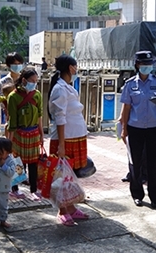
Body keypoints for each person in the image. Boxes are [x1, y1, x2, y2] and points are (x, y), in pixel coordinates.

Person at [120, 51, 156, 209]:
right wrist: (124, 129)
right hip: (135, 129)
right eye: (144, 64)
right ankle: (137, 194)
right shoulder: (130, 84)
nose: (147, 67)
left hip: (154, 129)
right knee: (136, 162)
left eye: (149, 64)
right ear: (137, 65)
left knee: (154, 163)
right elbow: (126, 107)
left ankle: (155, 196)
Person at [48, 54, 90, 226]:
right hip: (66, 139)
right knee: (61, 177)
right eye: (75, 66)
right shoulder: (59, 89)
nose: (77, 69)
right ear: (70, 68)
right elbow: (60, 117)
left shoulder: (68, 87)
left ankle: (71, 207)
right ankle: (62, 210)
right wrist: (62, 145)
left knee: (70, 176)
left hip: (76, 136)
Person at [7, 68, 44, 201]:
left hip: (33, 133)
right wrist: (9, 142)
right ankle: (15, 189)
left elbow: (40, 116)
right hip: (19, 134)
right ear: (24, 80)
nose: (34, 84)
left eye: (36, 81)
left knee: (33, 163)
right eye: (32, 81)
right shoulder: (13, 97)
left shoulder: (37, 95)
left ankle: (33, 190)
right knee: (18, 163)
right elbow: (12, 122)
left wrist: (41, 134)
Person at [0, 52, 25, 140]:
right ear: (9, 65)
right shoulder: (4, 81)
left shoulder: (25, 80)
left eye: (19, 63)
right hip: (9, 114)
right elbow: (0, 98)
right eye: (15, 64)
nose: (17, 66)